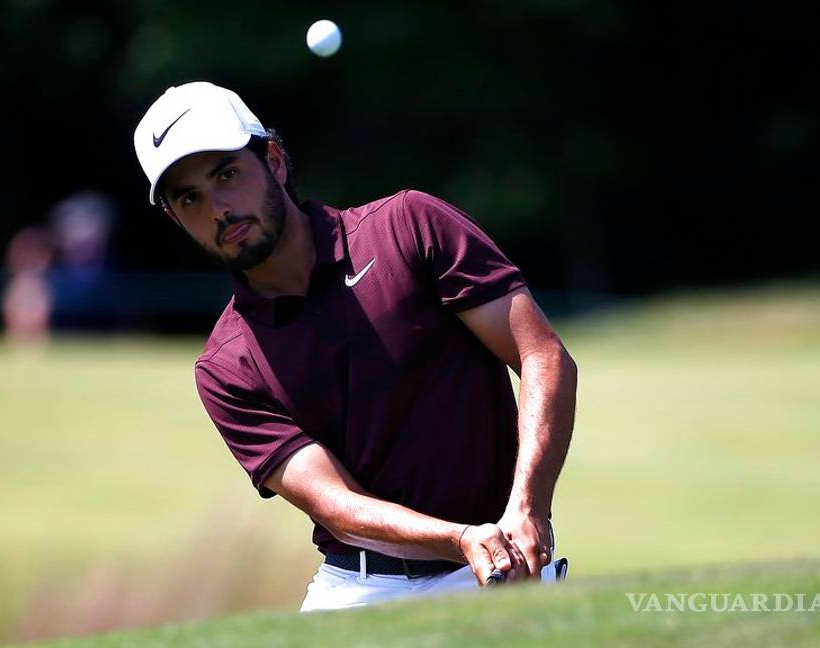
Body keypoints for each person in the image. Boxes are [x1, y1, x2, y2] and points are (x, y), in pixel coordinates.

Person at [133, 82, 577, 611]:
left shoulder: (408, 227)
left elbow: (542, 355)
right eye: (190, 198)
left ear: (273, 160)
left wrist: (528, 507)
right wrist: (459, 538)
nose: (219, 209)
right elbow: (335, 503)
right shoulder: (226, 366)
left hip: (505, 562)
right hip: (360, 590)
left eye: (227, 174)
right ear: (174, 218)